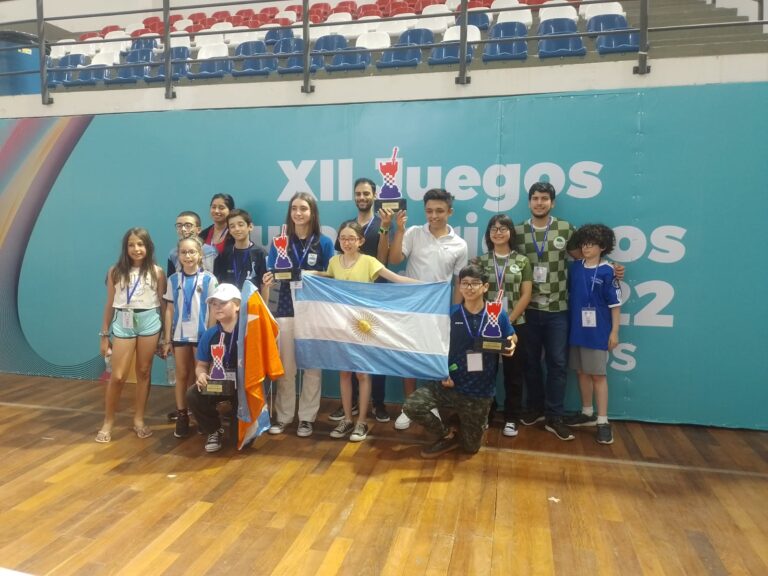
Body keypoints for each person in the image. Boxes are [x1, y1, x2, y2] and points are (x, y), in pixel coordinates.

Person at [403, 264, 516, 458]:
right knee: (412, 406)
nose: (469, 288)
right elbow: (437, 347)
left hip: (479, 391)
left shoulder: (496, 314)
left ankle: (464, 420)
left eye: (475, 283)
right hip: (450, 384)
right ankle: (447, 434)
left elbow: (512, 337)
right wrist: (442, 374)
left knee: (471, 448)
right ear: (459, 287)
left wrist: (511, 345)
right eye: (465, 283)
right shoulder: (451, 314)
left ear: (485, 287)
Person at [323, 221, 418, 442]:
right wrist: (307, 273)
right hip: (341, 325)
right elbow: (327, 279)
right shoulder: (334, 262)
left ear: (361, 241)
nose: (346, 242)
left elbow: (396, 279)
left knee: (363, 374)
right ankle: (347, 418)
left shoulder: (369, 261)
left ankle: (362, 422)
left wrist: (428, 285)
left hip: (364, 327)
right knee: (344, 373)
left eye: (351, 238)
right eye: (343, 238)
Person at [385, 188, 468, 430]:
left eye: (439, 211)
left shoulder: (459, 244)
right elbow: (395, 260)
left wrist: (454, 311)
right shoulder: (412, 233)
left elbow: (458, 283)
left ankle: (430, 403)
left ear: (450, 212)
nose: (434, 215)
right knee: (408, 356)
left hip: (439, 310)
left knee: (434, 357)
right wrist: (399, 230)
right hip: (411, 306)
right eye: (429, 210)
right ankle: (408, 406)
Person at [264, 192, 334, 438]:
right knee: (287, 367)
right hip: (285, 309)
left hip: (314, 312)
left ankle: (306, 418)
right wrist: (268, 279)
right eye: (294, 208)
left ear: (312, 212)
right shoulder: (279, 242)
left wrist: (307, 273)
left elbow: (332, 274)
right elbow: (272, 274)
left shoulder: (323, 243)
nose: (298, 213)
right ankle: (284, 416)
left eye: (303, 208)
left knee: (313, 368)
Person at [513, 182, 579, 441]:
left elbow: (580, 257)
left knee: (558, 364)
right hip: (527, 308)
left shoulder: (565, 228)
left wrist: (609, 266)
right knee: (529, 362)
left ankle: (555, 416)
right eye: (535, 198)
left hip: (557, 309)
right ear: (529, 202)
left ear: (552, 202)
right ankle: (535, 408)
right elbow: (504, 257)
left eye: (544, 198)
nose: (539, 203)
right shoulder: (518, 230)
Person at [328, 177, 391, 424]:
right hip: (347, 303)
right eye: (358, 193)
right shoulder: (349, 226)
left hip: (375, 293)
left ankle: (378, 403)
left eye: (366, 193)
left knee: (375, 352)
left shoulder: (381, 222)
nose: (362, 197)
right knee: (347, 358)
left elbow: (385, 259)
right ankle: (350, 404)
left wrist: (386, 228)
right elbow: (335, 268)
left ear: (374, 195)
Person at [96, 228, 166, 443]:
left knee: (144, 372)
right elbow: (109, 304)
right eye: (132, 245)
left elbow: (163, 305)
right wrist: (104, 335)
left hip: (149, 322)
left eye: (141, 244)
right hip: (123, 323)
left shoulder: (157, 272)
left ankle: (139, 420)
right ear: (125, 248)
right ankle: (108, 421)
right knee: (117, 376)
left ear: (148, 247)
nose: (136, 249)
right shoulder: (115, 271)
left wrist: (165, 337)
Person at [472, 214, 532, 438]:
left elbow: (527, 294)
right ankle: (487, 413)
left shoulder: (522, 261)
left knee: (513, 373)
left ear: (510, 232)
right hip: (486, 325)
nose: (498, 232)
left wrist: (509, 321)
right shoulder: (480, 261)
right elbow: (474, 293)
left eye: (503, 228)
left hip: (515, 325)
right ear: (488, 234)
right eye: (493, 228)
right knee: (486, 371)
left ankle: (512, 417)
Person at [565, 224, 622, 445]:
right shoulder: (575, 267)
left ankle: (603, 421)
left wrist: (614, 332)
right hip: (576, 329)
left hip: (598, 331)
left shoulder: (608, 271)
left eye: (592, 244)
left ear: (603, 247)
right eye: (584, 243)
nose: (587, 247)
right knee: (581, 372)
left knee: (598, 375)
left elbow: (615, 305)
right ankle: (587, 412)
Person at [161, 235, 218, 438]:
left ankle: (202, 417)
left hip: (201, 336)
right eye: (183, 252)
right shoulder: (173, 279)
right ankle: (183, 415)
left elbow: (213, 310)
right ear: (178, 255)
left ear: (200, 254)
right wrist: (167, 339)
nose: (187, 256)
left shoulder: (209, 279)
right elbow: (169, 309)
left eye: (192, 252)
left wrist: (210, 337)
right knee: (182, 375)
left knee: (201, 377)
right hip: (179, 336)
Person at [187, 283, 241, 453]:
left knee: (238, 441)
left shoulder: (249, 331)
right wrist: (201, 375)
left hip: (243, 387)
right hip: (219, 383)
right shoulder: (210, 334)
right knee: (193, 394)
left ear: (237, 305)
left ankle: (244, 424)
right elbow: (201, 365)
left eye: (223, 303)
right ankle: (214, 430)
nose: (218, 308)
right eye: (214, 304)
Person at [214, 209, 269, 297]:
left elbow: (265, 285)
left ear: (250, 227)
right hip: (229, 305)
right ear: (229, 231)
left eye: (240, 225)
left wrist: (264, 310)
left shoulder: (260, 254)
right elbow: (219, 282)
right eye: (232, 226)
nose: (237, 229)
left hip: (252, 305)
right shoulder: (225, 254)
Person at [167, 210, 217, 277]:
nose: (183, 229)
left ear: (198, 230)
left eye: (188, 225)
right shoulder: (173, 254)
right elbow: (171, 279)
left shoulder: (211, 252)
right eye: (179, 226)